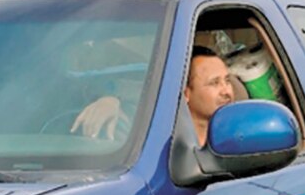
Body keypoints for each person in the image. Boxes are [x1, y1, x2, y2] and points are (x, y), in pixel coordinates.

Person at [71, 45, 233, 145]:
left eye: (227, 80)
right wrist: (109, 100)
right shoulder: (160, 141)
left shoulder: (236, 135)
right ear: (186, 93)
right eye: (214, 83)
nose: (226, 91)